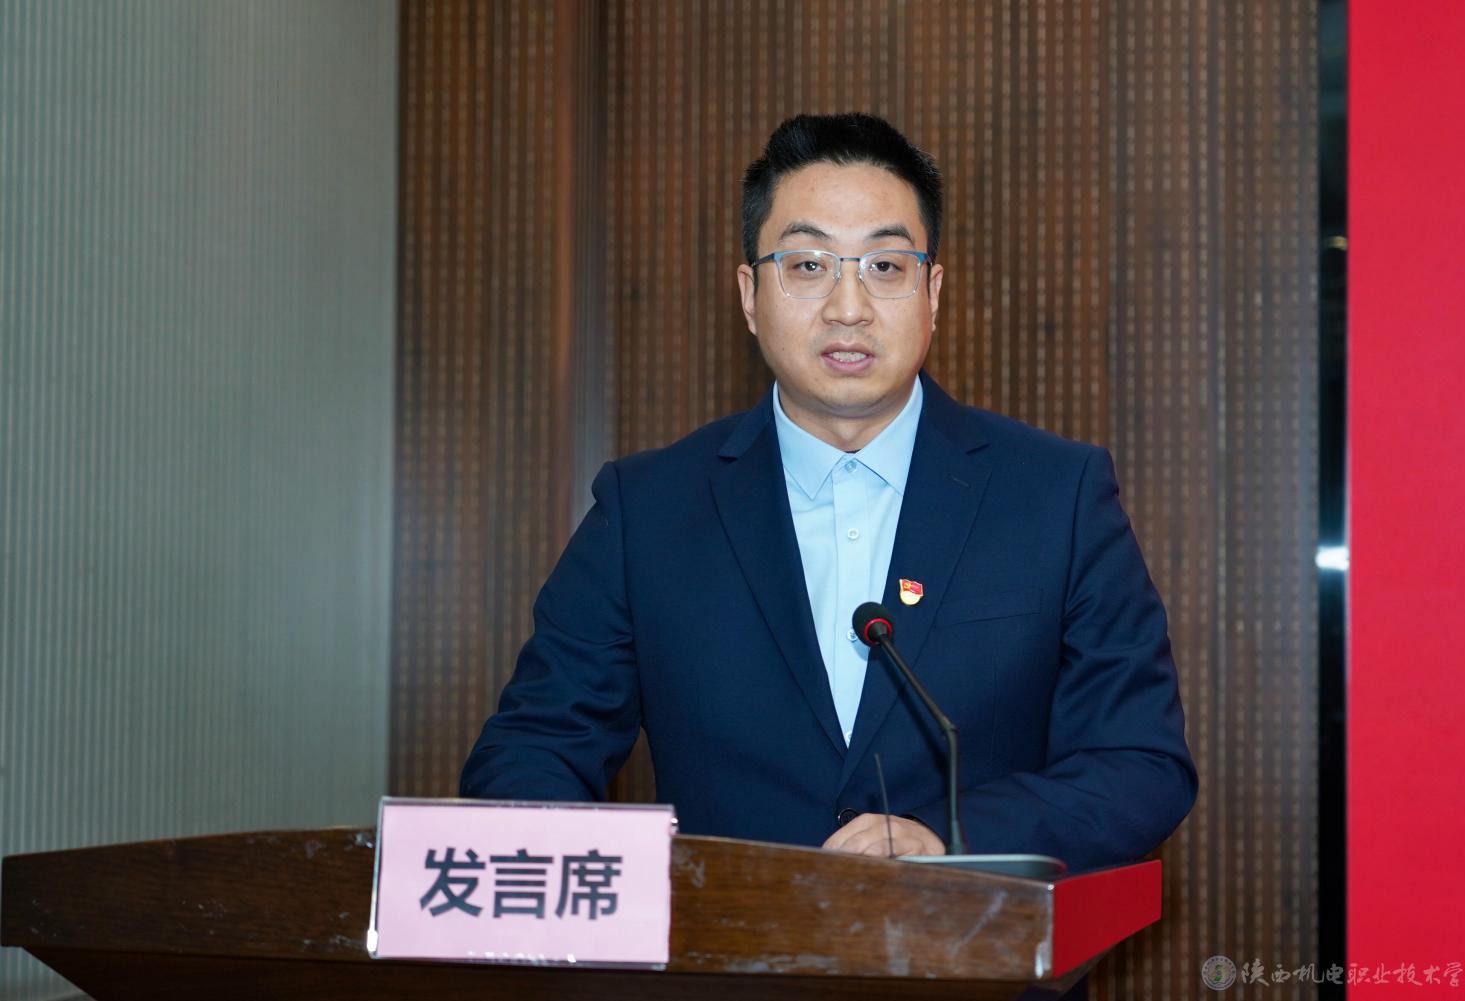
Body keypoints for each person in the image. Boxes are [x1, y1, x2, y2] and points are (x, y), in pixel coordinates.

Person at [461, 113, 1196, 870]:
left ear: (933, 292)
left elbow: (1140, 764)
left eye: (886, 266)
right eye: (808, 265)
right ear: (750, 295)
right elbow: (533, 748)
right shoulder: (647, 510)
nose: (848, 307)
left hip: (976, 941)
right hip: (726, 939)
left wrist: (949, 837)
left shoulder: (1055, 496)